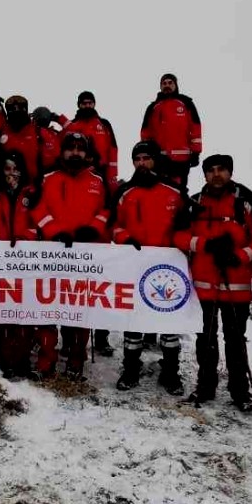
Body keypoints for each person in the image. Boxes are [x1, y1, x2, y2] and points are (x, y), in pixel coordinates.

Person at [173, 154, 252, 411]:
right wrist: (205, 245)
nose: (216, 175)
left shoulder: (245, 202)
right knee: (206, 339)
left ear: (230, 172)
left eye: (222, 170)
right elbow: (179, 236)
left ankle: (239, 391)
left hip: (235, 286)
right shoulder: (194, 203)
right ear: (204, 174)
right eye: (211, 170)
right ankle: (205, 386)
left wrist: (239, 255)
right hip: (203, 287)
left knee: (236, 341)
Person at [110, 140, 187, 395]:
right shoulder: (125, 192)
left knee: (169, 326)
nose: (142, 163)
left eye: (147, 158)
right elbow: (114, 225)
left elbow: (186, 227)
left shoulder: (175, 192)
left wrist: (178, 244)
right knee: (134, 322)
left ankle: (171, 373)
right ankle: (131, 369)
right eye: (137, 159)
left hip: (167, 270)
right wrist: (124, 238)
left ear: (155, 160)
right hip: (135, 266)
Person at [31, 133, 110, 381]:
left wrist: (95, 227)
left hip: (84, 258)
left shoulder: (98, 181)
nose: (75, 153)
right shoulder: (47, 179)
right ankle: (46, 362)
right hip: (52, 256)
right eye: (70, 148)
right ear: (62, 151)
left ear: (87, 153)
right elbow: (36, 208)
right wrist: (54, 231)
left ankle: (76, 360)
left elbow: (108, 209)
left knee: (79, 311)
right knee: (47, 311)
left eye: (80, 149)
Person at [0, 151, 45, 379]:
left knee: (25, 311)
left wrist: (25, 238)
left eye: (16, 168)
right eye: (7, 168)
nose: (12, 173)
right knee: (3, 311)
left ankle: (24, 358)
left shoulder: (32, 193)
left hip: (26, 260)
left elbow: (40, 222)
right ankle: (6, 358)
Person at [141, 73, 202, 187]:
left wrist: (196, 152)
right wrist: (146, 153)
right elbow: (145, 132)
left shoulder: (186, 103)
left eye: (170, 83)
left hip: (181, 159)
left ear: (175, 85)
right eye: (164, 83)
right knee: (159, 190)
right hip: (159, 159)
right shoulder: (153, 107)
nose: (167, 85)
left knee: (179, 191)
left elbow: (195, 127)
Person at [61, 91, 118, 194]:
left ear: (94, 104)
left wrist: (112, 175)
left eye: (90, 103)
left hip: (101, 170)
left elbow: (113, 148)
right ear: (79, 105)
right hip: (78, 168)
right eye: (84, 103)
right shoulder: (72, 125)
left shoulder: (104, 124)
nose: (87, 106)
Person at [0, 95, 49, 184]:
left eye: (21, 109)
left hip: (34, 187)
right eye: (12, 110)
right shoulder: (0, 133)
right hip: (8, 187)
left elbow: (53, 161)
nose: (16, 112)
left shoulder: (40, 133)